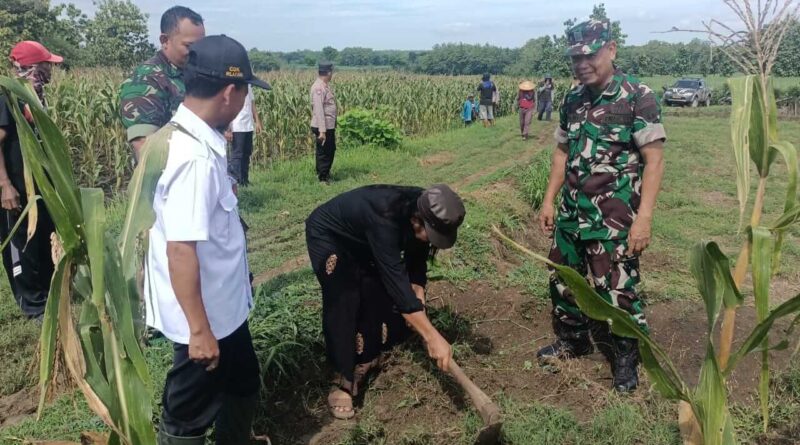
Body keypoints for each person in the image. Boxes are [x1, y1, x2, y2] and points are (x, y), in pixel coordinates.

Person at [143, 35, 270, 445]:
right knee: (188, 414)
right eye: (247, 90)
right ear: (230, 92)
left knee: (244, 382)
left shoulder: (197, 139)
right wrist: (199, 331)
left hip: (224, 307)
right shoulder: (192, 159)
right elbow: (180, 249)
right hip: (205, 318)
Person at [537, 19, 666, 393]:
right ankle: (573, 339)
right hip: (571, 213)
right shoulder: (572, 99)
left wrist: (643, 219)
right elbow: (562, 152)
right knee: (563, 279)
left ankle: (626, 359)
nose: (581, 63)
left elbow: (654, 162)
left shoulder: (636, 97)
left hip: (615, 217)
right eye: (575, 57)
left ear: (611, 50)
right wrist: (548, 200)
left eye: (589, 54)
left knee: (618, 289)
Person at [305, 184, 466, 419]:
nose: (432, 242)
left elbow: (417, 259)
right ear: (416, 221)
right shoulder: (385, 218)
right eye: (432, 236)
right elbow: (399, 287)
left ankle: (366, 358)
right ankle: (342, 379)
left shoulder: (423, 206)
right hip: (329, 234)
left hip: (362, 238)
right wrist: (432, 337)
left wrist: (418, 292)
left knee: (373, 291)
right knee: (344, 296)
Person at [0, 41, 62, 321]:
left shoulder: (33, 96)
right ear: (33, 67)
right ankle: (33, 305)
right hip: (13, 186)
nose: (51, 69)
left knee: (41, 239)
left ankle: (49, 294)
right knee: (20, 244)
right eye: (47, 64)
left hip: (39, 187)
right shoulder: (6, 96)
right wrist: (5, 186)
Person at [119, 6, 205, 162]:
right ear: (165, 41)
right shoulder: (147, 79)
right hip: (169, 180)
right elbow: (145, 148)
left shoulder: (192, 74)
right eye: (189, 46)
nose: (197, 53)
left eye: (201, 46)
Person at [226, 84, 262, 186]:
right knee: (237, 155)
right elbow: (229, 106)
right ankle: (236, 182)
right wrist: (228, 129)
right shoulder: (233, 86)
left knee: (247, 153)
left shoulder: (248, 86)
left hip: (248, 125)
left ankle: (245, 180)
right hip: (237, 125)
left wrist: (257, 121)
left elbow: (252, 104)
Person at [310, 62, 337, 183]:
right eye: (332, 72)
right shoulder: (318, 88)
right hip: (323, 126)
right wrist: (322, 131)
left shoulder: (323, 86)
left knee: (329, 150)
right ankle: (322, 177)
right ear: (329, 73)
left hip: (327, 126)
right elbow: (319, 110)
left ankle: (324, 173)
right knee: (324, 152)